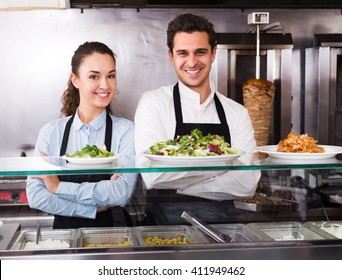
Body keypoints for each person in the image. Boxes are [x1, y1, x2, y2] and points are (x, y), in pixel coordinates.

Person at [134, 14, 261, 224]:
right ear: (171, 57)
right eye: (183, 53)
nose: (192, 62)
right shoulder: (153, 103)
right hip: (163, 230)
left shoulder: (237, 112)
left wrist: (182, 184)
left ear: (213, 54)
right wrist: (225, 166)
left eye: (200, 52)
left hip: (223, 232)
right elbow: (153, 176)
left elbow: (247, 183)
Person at [26, 42, 137, 229]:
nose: (105, 85)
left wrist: (58, 187)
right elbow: (36, 196)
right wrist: (91, 209)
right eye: (94, 76)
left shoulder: (126, 130)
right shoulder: (51, 132)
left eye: (111, 76)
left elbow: (121, 193)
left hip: (113, 236)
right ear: (75, 80)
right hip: (65, 237)